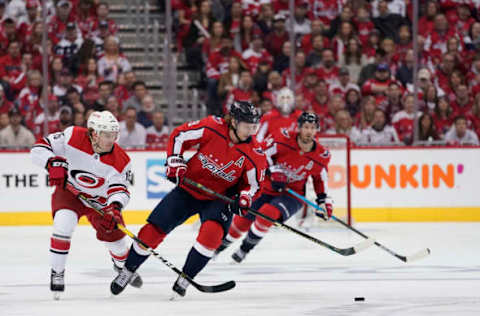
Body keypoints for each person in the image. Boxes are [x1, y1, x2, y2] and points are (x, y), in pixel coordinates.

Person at [110, 101, 267, 299]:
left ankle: (186, 278)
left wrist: (244, 198)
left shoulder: (255, 153)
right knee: (153, 230)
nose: (252, 130)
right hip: (190, 188)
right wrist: (174, 160)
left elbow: (253, 186)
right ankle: (128, 270)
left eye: (255, 126)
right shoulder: (212, 126)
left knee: (212, 236)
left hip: (219, 198)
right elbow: (180, 135)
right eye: (248, 125)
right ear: (234, 121)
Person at [30, 111, 143, 299]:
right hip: (70, 193)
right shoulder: (72, 135)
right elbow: (38, 148)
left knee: (117, 243)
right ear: (93, 133)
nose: (111, 140)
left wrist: (114, 208)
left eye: (114, 135)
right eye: (107, 135)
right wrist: (51, 163)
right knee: (62, 226)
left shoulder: (121, 160)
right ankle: (57, 272)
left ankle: (120, 264)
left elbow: (120, 190)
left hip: (100, 202)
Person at [214, 112, 332, 263]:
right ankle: (218, 248)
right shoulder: (282, 139)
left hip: (292, 195)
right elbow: (261, 153)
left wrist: (323, 201)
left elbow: (320, 180)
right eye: (306, 127)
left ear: (317, 130)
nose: (309, 131)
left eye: (313, 128)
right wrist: (272, 171)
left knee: (266, 214)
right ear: (299, 128)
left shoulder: (321, 155)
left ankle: (244, 250)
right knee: (241, 221)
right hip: (267, 188)